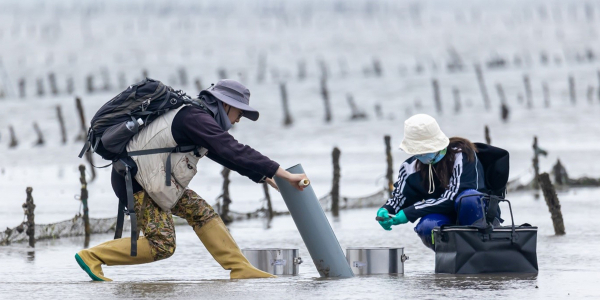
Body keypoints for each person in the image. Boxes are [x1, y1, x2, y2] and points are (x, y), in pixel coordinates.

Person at [75, 79, 309, 281]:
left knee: (201, 212)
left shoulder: (197, 117)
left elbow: (225, 155)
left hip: (155, 180)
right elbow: (232, 148)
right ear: (225, 104)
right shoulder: (194, 117)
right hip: (136, 182)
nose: (238, 120)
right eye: (239, 113)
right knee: (162, 244)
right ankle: (92, 256)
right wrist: (285, 174)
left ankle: (240, 268)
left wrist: (264, 176)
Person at [376, 114, 500, 250]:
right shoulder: (409, 168)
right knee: (427, 227)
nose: (421, 155)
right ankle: (453, 256)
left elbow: (452, 197)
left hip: (476, 212)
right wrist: (386, 210)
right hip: (444, 217)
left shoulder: (462, 155)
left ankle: (481, 249)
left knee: (468, 198)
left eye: (424, 150)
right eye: (417, 151)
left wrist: (410, 212)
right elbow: (400, 198)